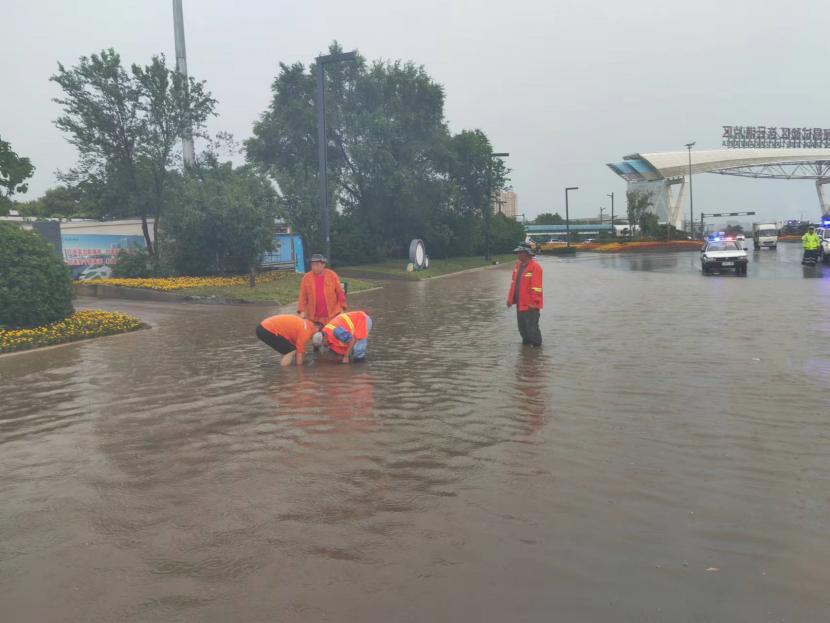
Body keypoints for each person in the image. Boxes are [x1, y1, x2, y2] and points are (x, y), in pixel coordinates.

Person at [507, 243, 543, 347]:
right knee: (522, 328)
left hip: (530, 305)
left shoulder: (535, 267)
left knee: (532, 328)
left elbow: (536, 287)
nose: (518, 254)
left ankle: (536, 350)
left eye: (520, 252)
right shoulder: (518, 265)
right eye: (518, 252)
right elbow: (514, 283)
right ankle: (526, 350)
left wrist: (534, 303)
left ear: (526, 253)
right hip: (520, 303)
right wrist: (510, 299)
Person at [297, 253, 347, 325]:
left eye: (317, 265)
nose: (314, 267)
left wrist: (342, 307)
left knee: (332, 331)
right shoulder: (306, 277)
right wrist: (301, 311)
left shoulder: (332, 275)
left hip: (332, 315)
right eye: (312, 265)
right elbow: (302, 296)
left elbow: (340, 293)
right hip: (313, 317)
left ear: (323, 265)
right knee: (314, 332)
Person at [256, 314, 320, 367]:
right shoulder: (307, 331)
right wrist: (300, 369)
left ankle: (284, 366)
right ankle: (285, 373)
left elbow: (297, 348)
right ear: (316, 329)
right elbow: (299, 352)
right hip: (267, 330)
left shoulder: (305, 324)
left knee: (288, 349)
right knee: (290, 351)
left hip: (263, 327)